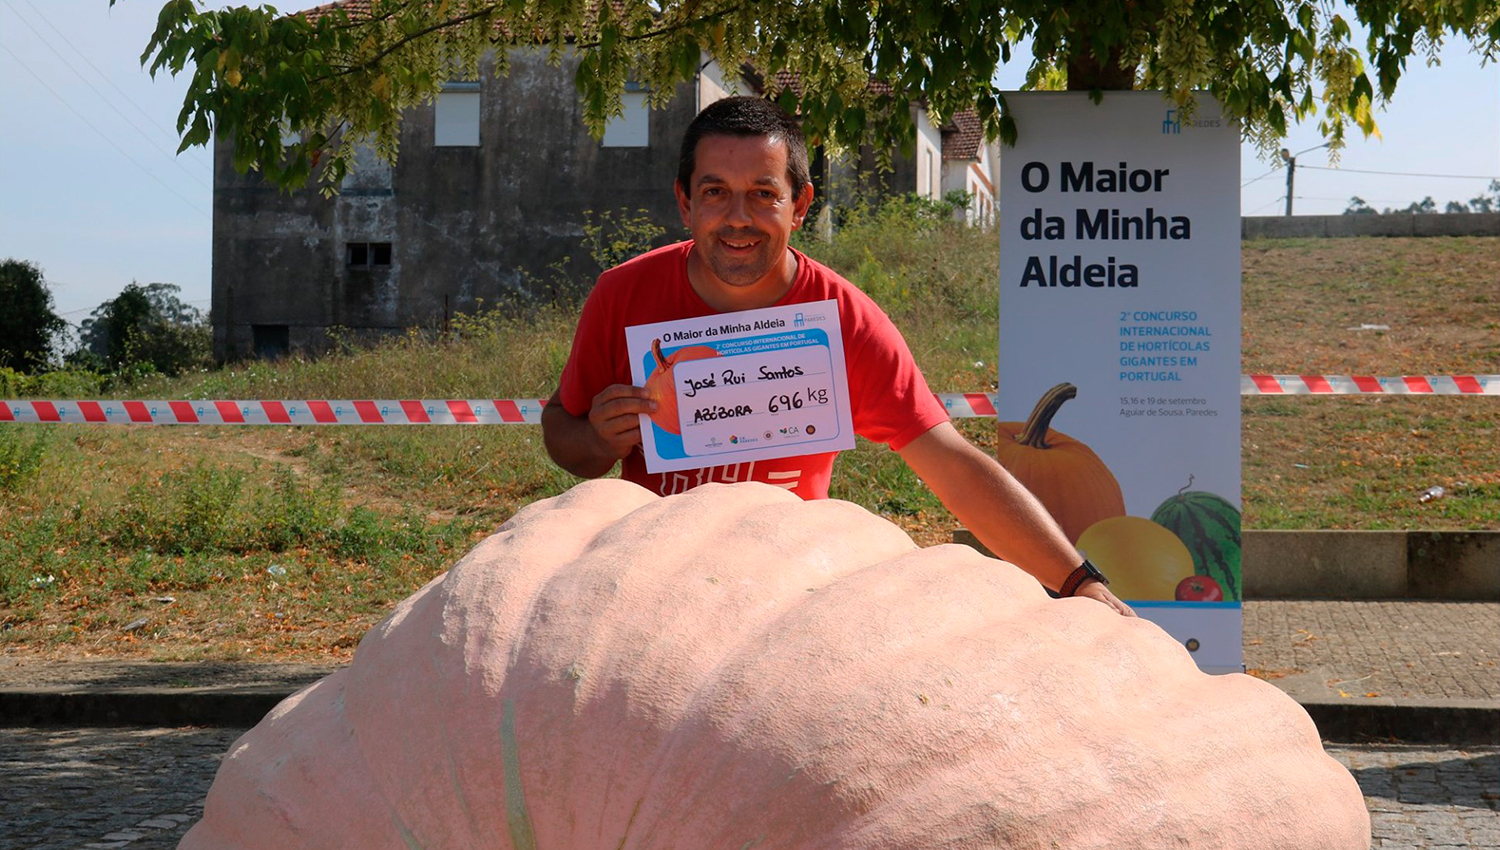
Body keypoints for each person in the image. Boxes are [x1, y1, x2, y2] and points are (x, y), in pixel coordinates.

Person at [542, 96, 1132, 616]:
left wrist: (1077, 580)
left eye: (763, 195)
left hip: (786, 600)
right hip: (653, 591)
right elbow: (562, 435)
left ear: (800, 206)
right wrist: (597, 440)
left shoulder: (844, 320)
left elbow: (951, 464)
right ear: (684, 202)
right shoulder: (623, 295)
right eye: (715, 192)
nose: (738, 217)